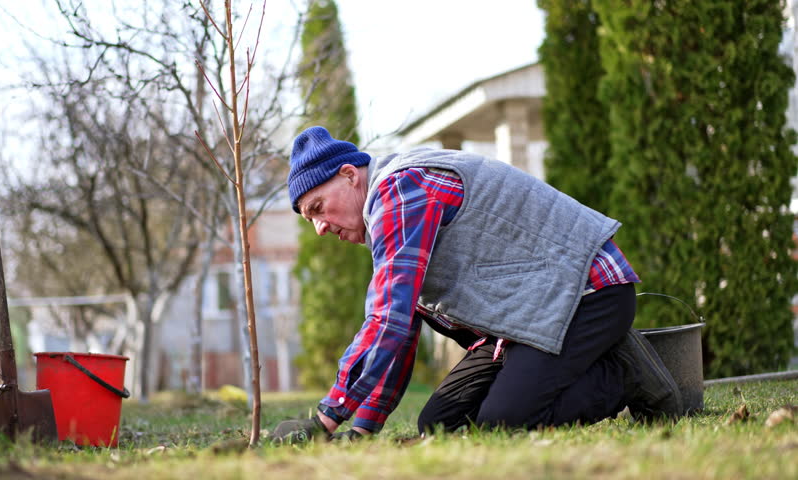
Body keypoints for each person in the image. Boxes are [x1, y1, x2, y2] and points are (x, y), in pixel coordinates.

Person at [271, 126, 682, 443]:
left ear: (349, 175)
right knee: (440, 424)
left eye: (318, 208)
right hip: (530, 312)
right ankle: (594, 362)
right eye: (310, 220)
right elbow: (402, 333)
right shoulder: (392, 211)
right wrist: (360, 432)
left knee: (500, 424)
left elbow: (387, 321)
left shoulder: (400, 190)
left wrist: (326, 418)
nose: (320, 227)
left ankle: (624, 374)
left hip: (586, 293)